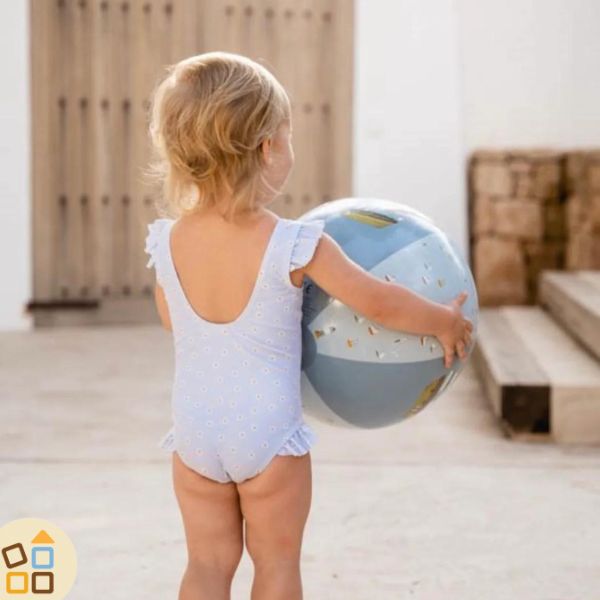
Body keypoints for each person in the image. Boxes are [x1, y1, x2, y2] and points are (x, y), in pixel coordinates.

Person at [143, 51, 472, 600]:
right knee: (276, 566)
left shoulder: (169, 240)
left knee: (206, 564)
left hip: (196, 432)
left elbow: (170, 319)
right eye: (287, 135)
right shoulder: (295, 244)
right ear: (267, 149)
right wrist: (443, 321)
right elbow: (378, 302)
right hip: (267, 436)